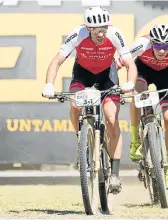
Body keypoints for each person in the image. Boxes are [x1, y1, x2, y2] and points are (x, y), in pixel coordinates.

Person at [42, 6, 138, 194]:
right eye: (97, 30)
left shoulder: (115, 33)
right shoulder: (77, 34)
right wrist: (49, 85)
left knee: (111, 119)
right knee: (75, 106)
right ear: (88, 28)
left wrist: (130, 83)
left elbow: (130, 64)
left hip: (107, 76)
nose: (102, 33)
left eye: (104, 28)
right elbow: (56, 62)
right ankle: (82, 140)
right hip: (82, 75)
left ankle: (115, 174)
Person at [116, 24, 168, 192]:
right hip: (142, 72)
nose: (162, 50)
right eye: (158, 45)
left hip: (165, 75)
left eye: (165, 45)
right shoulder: (141, 43)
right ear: (152, 42)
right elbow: (118, 62)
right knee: (137, 93)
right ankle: (135, 142)